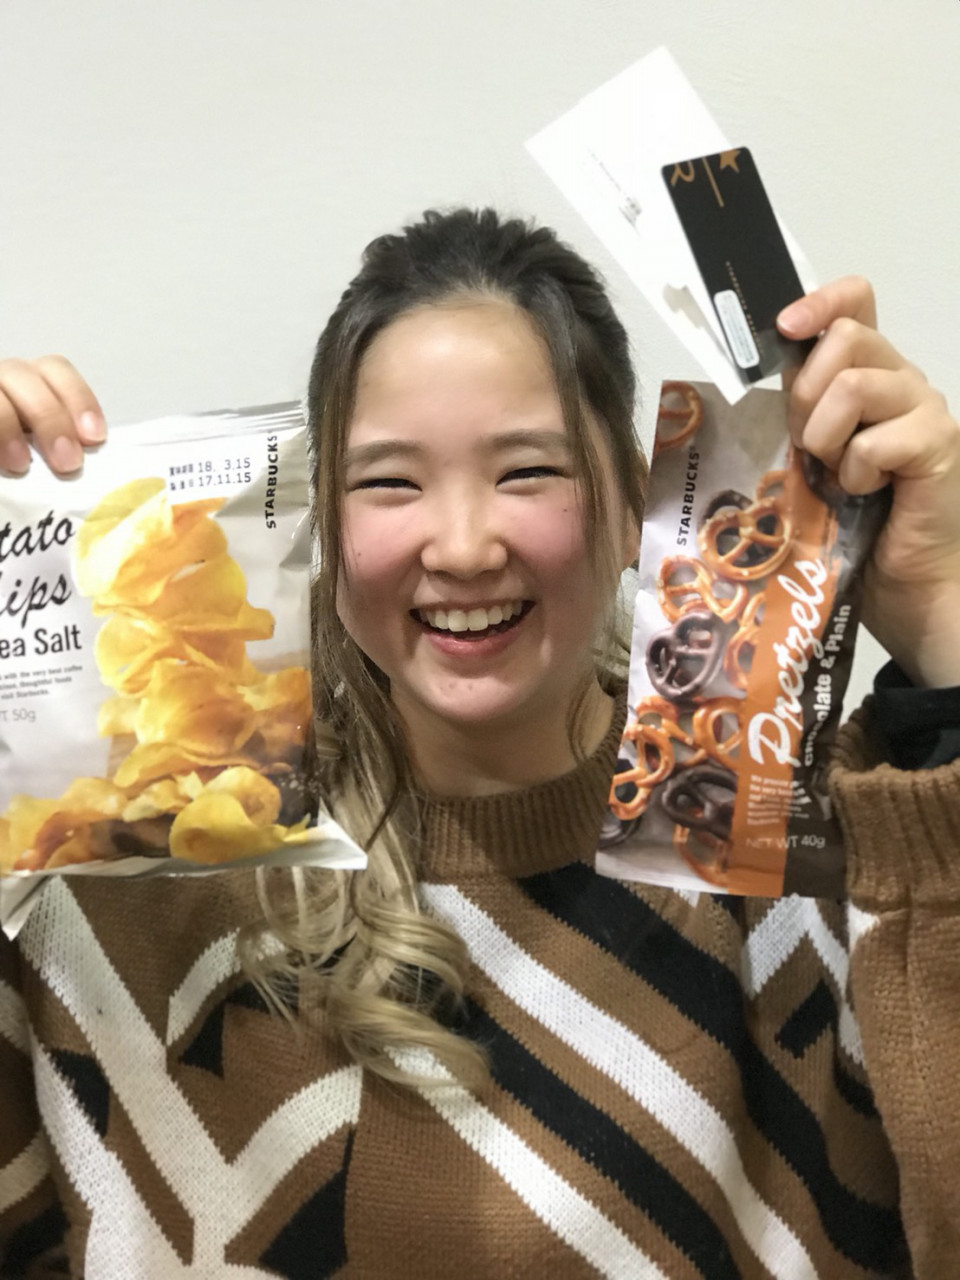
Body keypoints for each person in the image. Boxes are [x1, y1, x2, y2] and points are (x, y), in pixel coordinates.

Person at [0, 207, 958, 1280]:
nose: (461, 547)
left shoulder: (798, 858)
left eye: (526, 471)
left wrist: (941, 614)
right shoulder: (139, 868)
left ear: (633, 500)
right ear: (320, 520)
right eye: (389, 482)